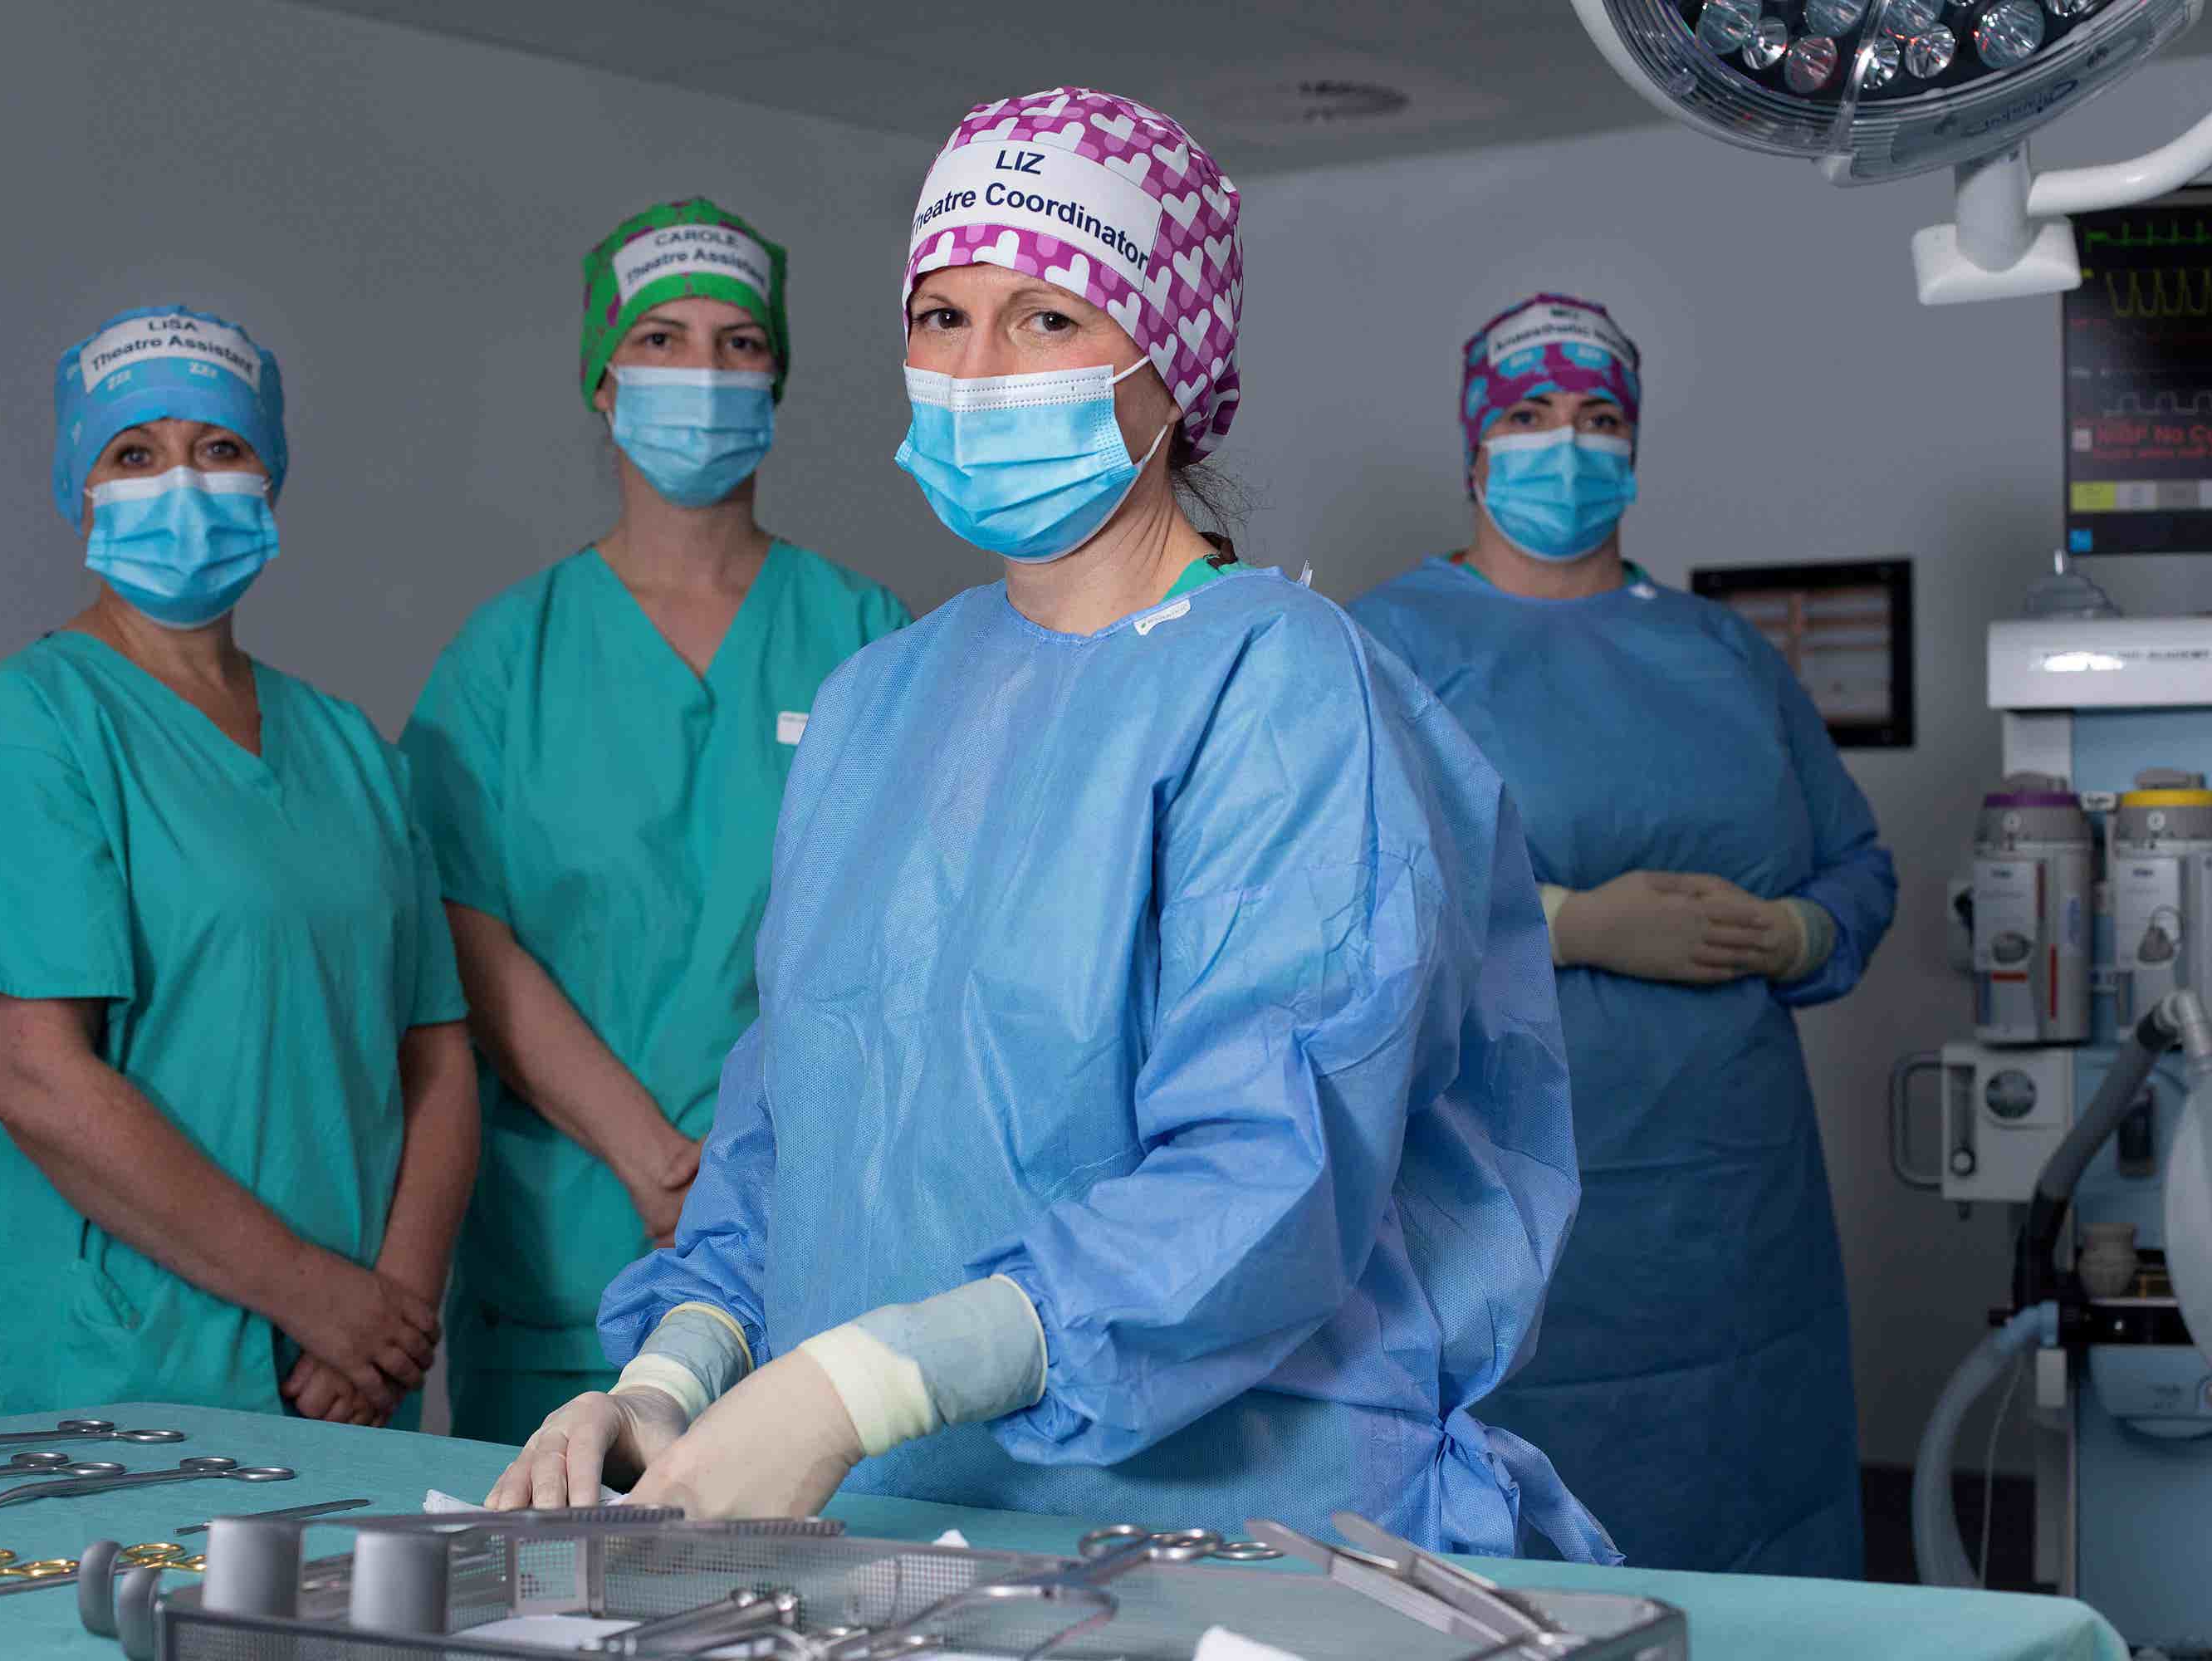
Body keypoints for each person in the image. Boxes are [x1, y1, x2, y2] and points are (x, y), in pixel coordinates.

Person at [482, 89, 1617, 1563]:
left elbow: (1264, 1185)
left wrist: (855, 1385)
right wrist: (670, 1379)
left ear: (1175, 359)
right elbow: (791, 1136)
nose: (977, 373)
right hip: (890, 1537)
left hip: (1215, 1538)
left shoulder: (1277, 687)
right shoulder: (883, 701)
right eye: (942, 319)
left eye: (1048, 322)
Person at [1349, 293, 1898, 1577]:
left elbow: (1859, 863)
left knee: (1756, 1520)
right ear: (1475, 448)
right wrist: (1570, 923)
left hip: (1737, 1212)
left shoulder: (1718, 650)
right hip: (1517, 1204)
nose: (1570, 444)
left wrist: (1797, 934)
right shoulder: (1390, 646)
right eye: (1533, 416)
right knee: (1531, 1555)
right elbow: (1342, 901)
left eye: (1600, 419)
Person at [0, 305, 476, 1426]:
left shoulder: (350, 750)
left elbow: (437, 1053)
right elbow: (32, 1075)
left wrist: (386, 1316)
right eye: (134, 454)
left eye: (220, 449)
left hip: (345, 1385)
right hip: (115, 1380)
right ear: (81, 486)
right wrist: (315, 1296)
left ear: (271, 478)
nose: (181, 483)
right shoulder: (26, 734)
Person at [402, 199, 913, 1445]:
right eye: (665, 340)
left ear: (779, 375)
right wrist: (652, 1161)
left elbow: (909, 934)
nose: (705, 373)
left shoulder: (866, 639)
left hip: (807, 1246)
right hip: (567, 1257)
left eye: (741, 344)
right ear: (603, 377)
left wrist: (739, 1187)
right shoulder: (507, 659)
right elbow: (465, 935)